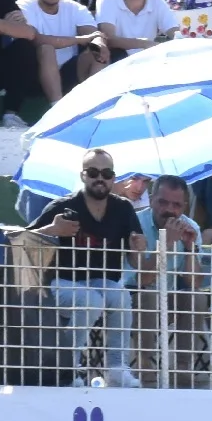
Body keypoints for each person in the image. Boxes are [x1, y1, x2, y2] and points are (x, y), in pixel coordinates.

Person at [34, 147, 144, 386]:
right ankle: (68, 368)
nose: (100, 179)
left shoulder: (123, 208)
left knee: (121, 296)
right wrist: (52, 230)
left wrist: (138, 247)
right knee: (91, 299)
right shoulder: (62, 207)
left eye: (107, 173)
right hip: (59, 282)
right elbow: (24, 238)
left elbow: (136, 260)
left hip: (100, 281)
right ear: (83, 175)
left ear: (114, 178)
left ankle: (117, 369)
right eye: (93, 172)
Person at [16, 0, 104, 100]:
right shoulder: (23, 6)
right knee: (46, 49)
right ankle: (56, 105)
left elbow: (93, 35)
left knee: (98, 50)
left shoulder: (75, 8)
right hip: (32, 75)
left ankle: (94, 103)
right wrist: (79, 40)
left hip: (68, 73)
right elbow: (36, 39)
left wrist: (98, 42)